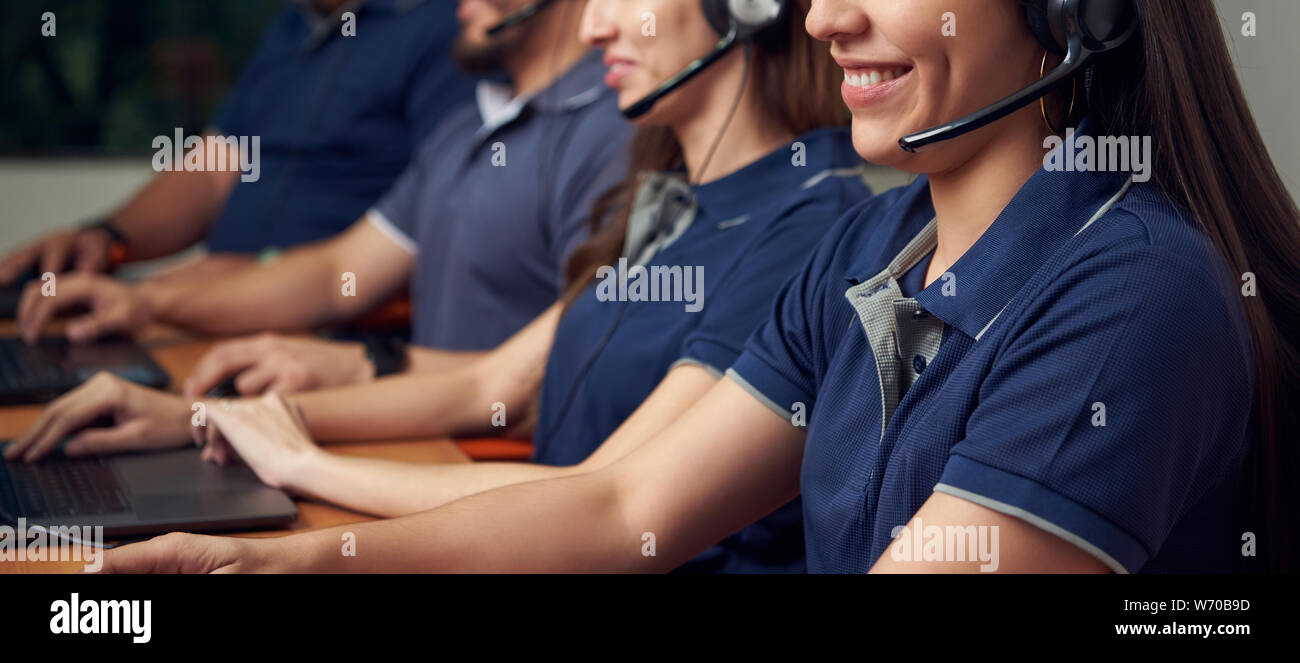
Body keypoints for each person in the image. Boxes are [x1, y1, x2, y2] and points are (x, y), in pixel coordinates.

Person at [93, 0, 1300, 574]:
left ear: (1070, 14)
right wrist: (277, 562)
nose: (829, 17)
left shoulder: (1130, 297)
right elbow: (619, 506)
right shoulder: (867, 251)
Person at [7, 0, 867, 573]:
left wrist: (308, 466)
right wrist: (200, 415)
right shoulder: (664, 198)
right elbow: (493, 384)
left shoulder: (807, 219)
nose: (597, 24)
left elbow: (608, 497)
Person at [13, 0, 633, 396]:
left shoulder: (613, 133)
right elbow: (339, 268)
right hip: (409, 414)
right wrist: (141, 298)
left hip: (478, 453)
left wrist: (367, 365)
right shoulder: (467, 125)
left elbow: (566, 375)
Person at [0, 0, 474, 293]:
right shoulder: (292, 28)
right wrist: (106, 237)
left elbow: (438, 224)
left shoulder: (450, 27)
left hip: (327, 334)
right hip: (221, 314)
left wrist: (262, 275)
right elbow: (215, 167)